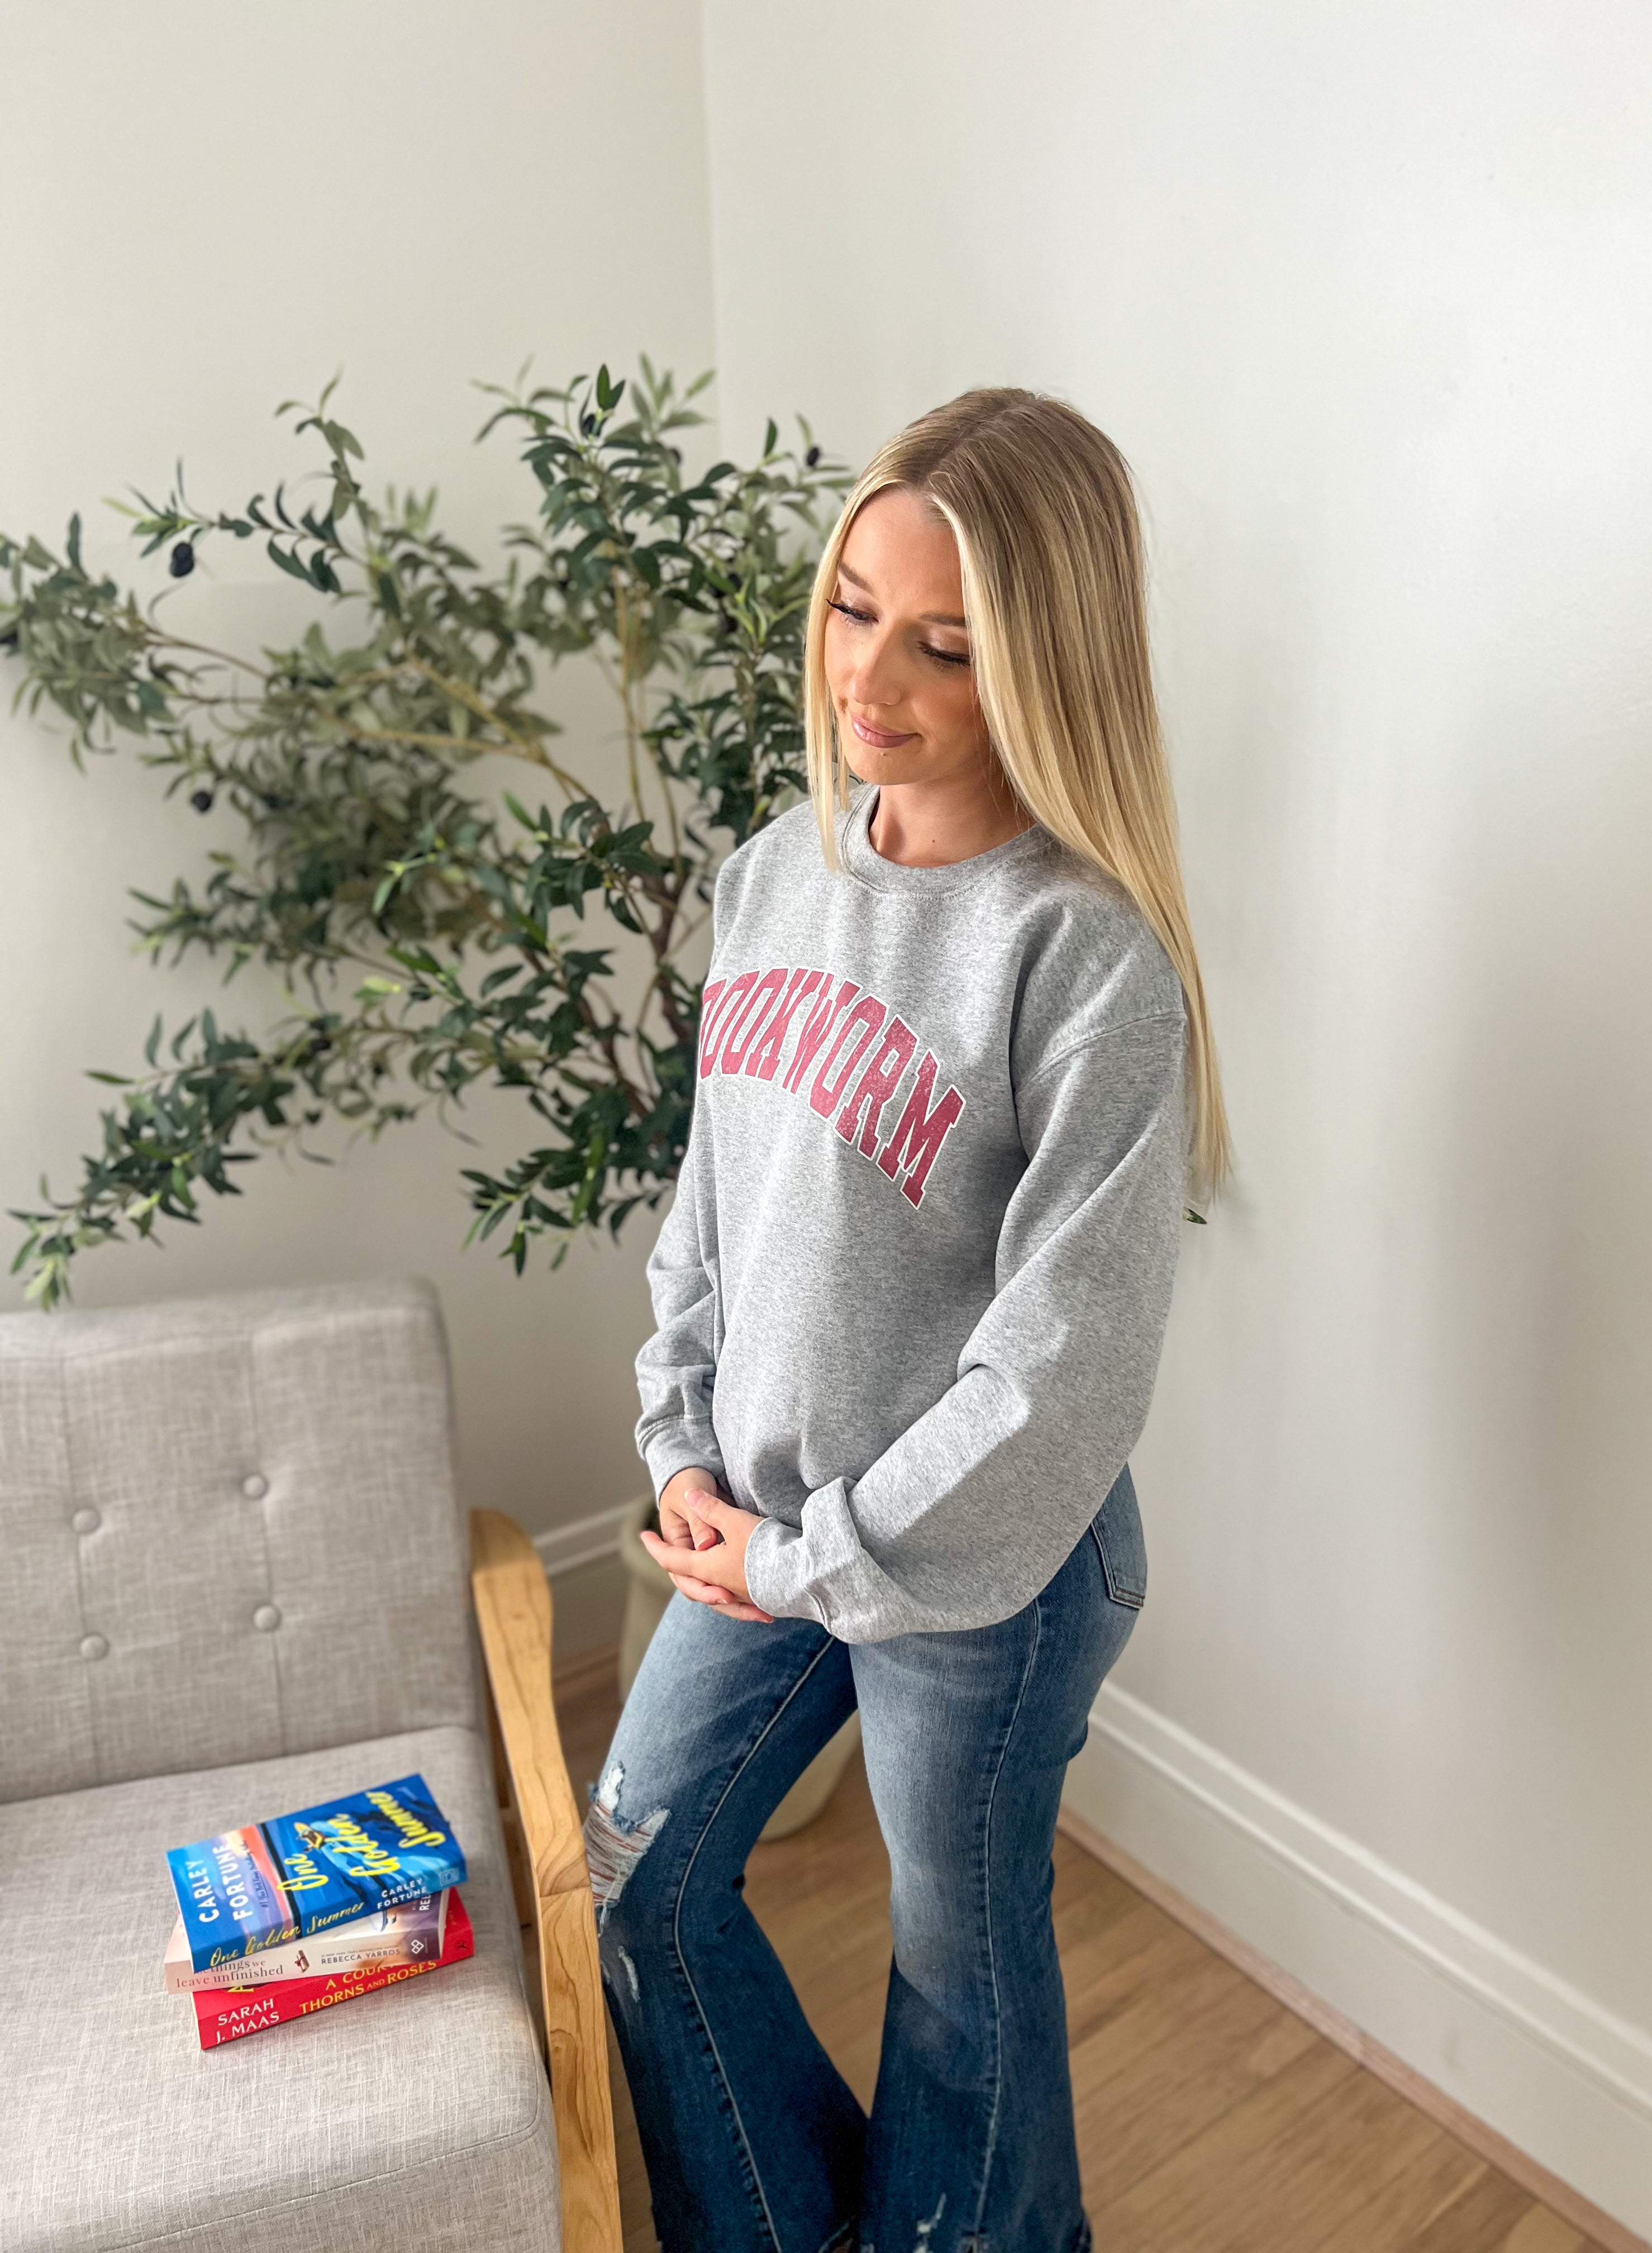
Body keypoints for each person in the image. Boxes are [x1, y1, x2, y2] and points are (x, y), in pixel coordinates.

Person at [589, 386, 1231, 2253]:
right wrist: (682, 1442)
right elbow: (715, 1205)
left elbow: (1055, 1383)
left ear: (1043, 659)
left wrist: (815, 1559)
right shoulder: (774, 875)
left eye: (945, 643)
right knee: (641, 1869)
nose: (873, 677)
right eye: (854, 606)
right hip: (774, 1527)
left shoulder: (1083, 956)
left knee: (962, 1988)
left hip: (986, 1574)